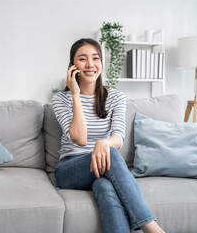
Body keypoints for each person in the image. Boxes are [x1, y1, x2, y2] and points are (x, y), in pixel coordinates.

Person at [51, 38, 165, 233]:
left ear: (101, 63)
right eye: (82, 59)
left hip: (103, 165)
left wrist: (103, 143)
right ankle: (151, 228)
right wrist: (76, 94)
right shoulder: (61, 99)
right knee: (110, 153)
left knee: (105, 187)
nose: (90, 64)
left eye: (95, 58)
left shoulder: (115, 97)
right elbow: (80, 139)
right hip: (70, 169)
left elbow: (118, 137)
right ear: (72, 66)